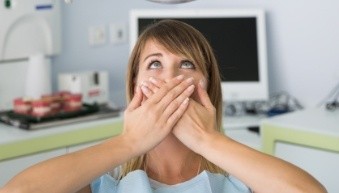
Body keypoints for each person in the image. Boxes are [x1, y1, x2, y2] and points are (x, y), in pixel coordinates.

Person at [0, 20, 326, 193]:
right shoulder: (104, 185)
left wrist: (208, 140)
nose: (169, 77)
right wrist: (129, 143)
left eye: (186, 64)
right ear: (133, 86)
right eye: (154, 64)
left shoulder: (239, 183)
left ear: (207, 88)